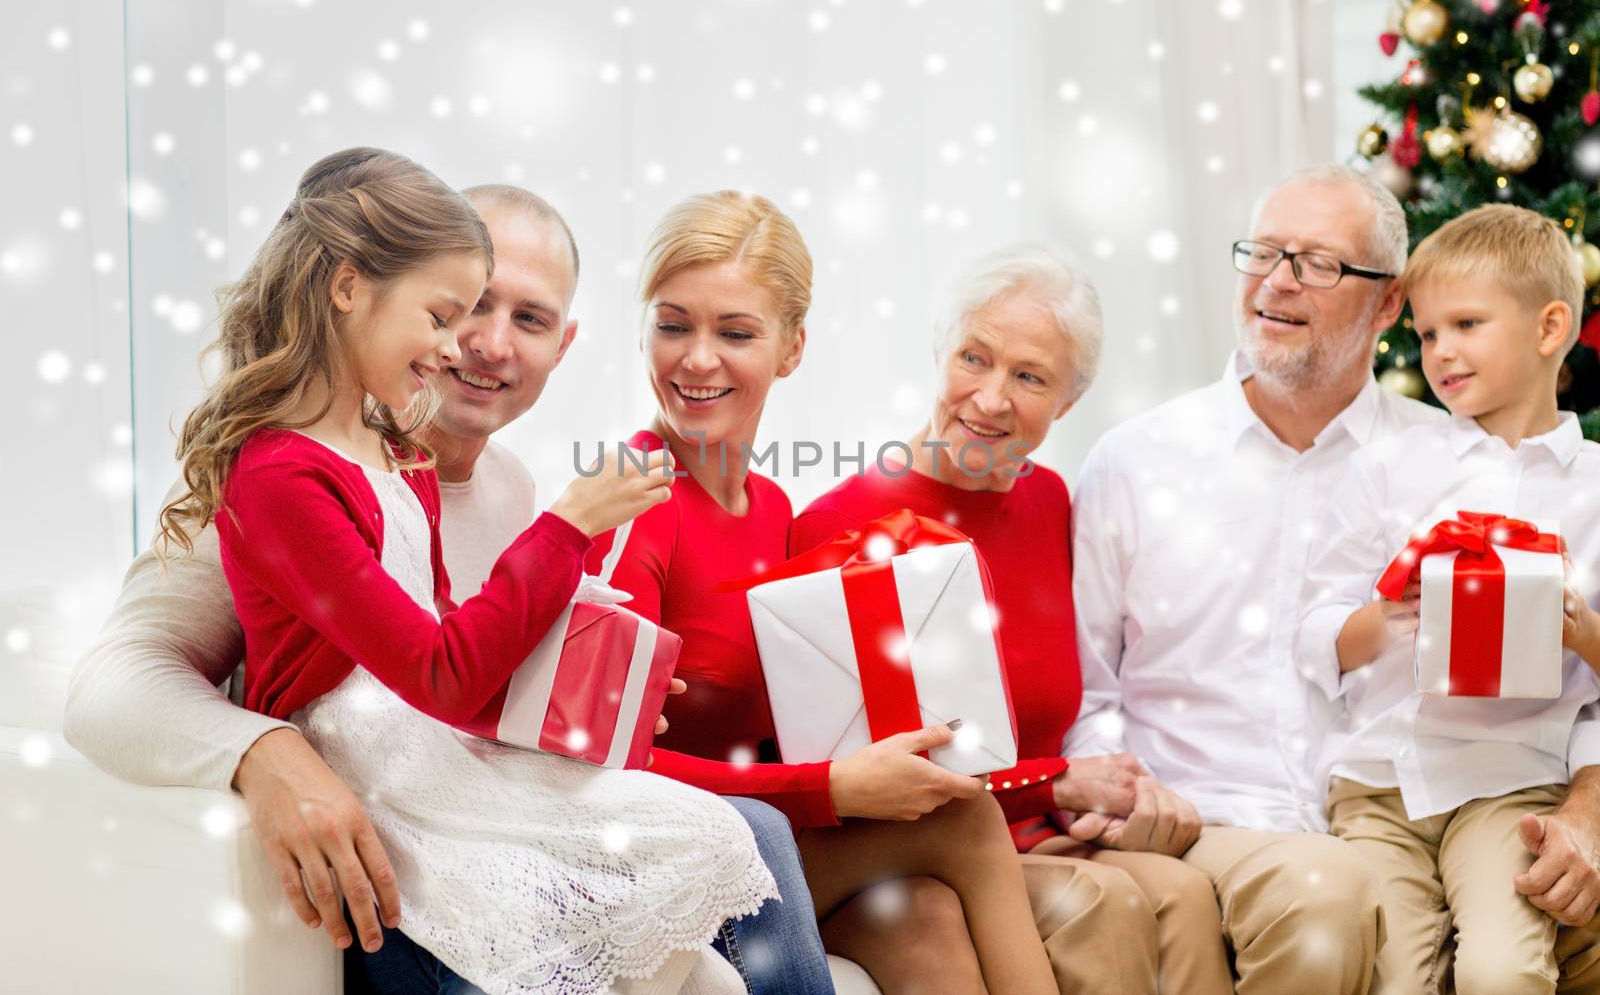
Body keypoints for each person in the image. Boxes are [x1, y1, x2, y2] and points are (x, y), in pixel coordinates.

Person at [68, 175, 840, 995]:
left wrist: (590, 691)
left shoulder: (507, 491)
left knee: (744, 835)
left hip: (475, 791)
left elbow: (471, 666)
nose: (485, 343)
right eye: (461, 308)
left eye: (529, 318)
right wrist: (266, 753)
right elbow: (110, 685)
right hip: (393, 827)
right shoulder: (288, 477)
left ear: (564, 344)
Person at [1064, 162, 1600, 993]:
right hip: (1224, 821)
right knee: (1327, 902)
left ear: (1386, 303)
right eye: (1263, 253)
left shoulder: (1454, 457)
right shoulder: (1136, 462)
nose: (1277, 282)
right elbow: (1085, 696)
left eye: (1318, 262)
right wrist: (1118, 792)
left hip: (1439, 803)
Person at [590, 191, 1058, 995]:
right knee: (966, 820)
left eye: (735, 333)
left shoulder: (772, 508)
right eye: (674, 325)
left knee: (926, 923)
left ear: (792, 347)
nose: (697, 360)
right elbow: (602, 767)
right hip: (664, 854)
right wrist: (832, 789)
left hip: (761, 835)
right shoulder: (631, 496)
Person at [788, 243, 1232, 995]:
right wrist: (1056, 784)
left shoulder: (1051, 500)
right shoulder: (842, 527)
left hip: (1041, 834)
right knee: (1109, 902)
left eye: (1028, 377)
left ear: (1068, 401)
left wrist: (1104, 789)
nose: (991, 399)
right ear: (938, 352)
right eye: (974, 358)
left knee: (1186, 895)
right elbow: (874, 785)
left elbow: (1082, 697)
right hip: (920, 848)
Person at [1297, 204, 1600, 994]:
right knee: (1391, 977)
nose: (1440, 353)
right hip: (1377, 783)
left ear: (1549, 327)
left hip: (1510, 782)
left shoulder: (1595, 487)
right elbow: (1314, 630)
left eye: (1466, 324)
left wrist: (1577, 628)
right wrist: (1388, 617)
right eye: (1428, 334)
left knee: (1503, 971)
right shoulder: (1390, 467)